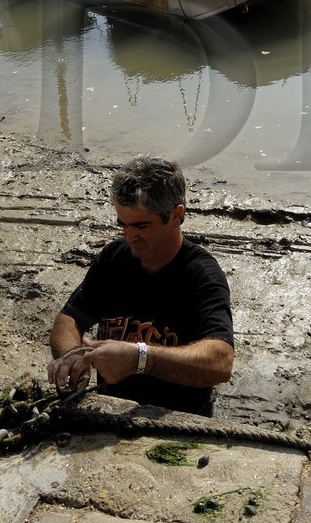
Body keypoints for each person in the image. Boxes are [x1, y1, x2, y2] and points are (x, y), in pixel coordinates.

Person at [47, 156, 233, 416]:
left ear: (176, 215)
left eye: (142, 225)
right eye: (122, 224)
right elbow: (69, 319)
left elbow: (221, 362)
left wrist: (140, 359)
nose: (129, 236)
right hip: (111, 410)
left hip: (176, 419)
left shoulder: (202, 275)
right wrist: (72, 355)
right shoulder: (113, 259)